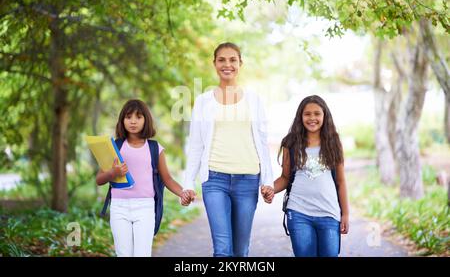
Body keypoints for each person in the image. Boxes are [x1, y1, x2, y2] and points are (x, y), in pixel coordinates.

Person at [182, 42, 274, 257]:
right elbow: (196, 145)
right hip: (215, 180)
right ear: (214, 64)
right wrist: (188, 183)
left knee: (241, 251)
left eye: (233, 60)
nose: (227, 64)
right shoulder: (204, 102)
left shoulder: (254, 100)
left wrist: (267, 181)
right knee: (223, 250)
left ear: (240, 63)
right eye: (222, 60)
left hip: (248, 180)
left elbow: (262, 141)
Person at [95, 99, 191, 257]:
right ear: (122, 120)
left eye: (138, 117)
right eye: (128, 117)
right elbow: (99, 180)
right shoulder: (115, 146)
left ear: (146, 120)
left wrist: (183, 193)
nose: (133, 121)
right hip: (119, 208)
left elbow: (167, 179)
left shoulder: (154, 148)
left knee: (142, 254)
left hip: (145, 208)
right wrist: (113, 173)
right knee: (123, 254)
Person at [271, 95, 349, 257]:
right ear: (300, 116)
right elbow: (285, 178)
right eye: (307, 114)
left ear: (324, 116)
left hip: (329, 213)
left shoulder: (334, 142)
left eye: (317, 113)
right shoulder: (291, 143)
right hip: (298, 212)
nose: (312, 118)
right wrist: (270, 188)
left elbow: (341, 182)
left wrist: (345, 214)